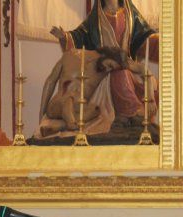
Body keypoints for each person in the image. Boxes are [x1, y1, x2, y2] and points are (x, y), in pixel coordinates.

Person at [50, 0, 158, 128]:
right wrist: (64, 37)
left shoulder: (130, 14)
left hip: (125, 63)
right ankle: (130, 113)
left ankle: (132, 114)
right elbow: (80, 37)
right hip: (105, 70)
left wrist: (158, 41)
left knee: (139, 78)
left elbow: (145, 36)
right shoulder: (95, 18)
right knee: (119, 74)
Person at [37, 46, 147, 137]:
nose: (108, 70)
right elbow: (50, 81)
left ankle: (62, 126)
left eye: (111, 69)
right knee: (69, 98)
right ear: (106, 55)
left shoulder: (105, 67)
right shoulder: (70, 56)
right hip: (58, 103)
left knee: (96, 110)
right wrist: (41, 114)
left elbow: (142, 69)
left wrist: (150, 97)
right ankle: (69, 123)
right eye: (110, 65)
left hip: (80, 108)